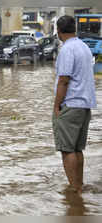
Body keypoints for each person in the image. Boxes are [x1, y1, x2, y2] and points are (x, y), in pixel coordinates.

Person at [52, 15, 97, 195]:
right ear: (75, 29)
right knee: (77, 149)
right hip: (85, 105)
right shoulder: (84, 47)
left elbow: (64, 80)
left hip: (70, 104)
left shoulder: (67, 49)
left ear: (59, 32)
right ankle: (80, 185)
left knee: (67, 149)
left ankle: (73, 189)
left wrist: (56, 105)